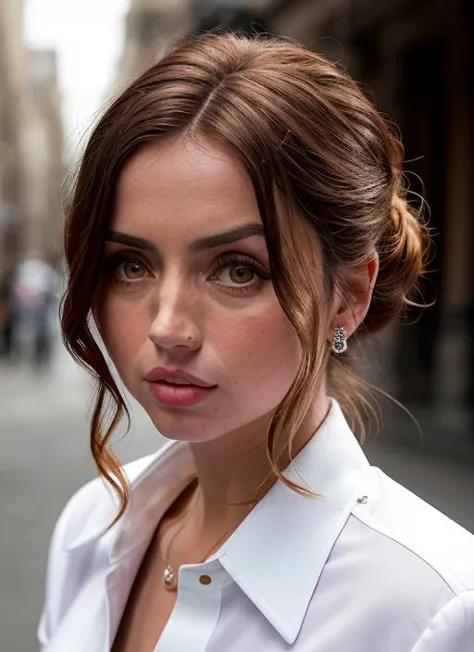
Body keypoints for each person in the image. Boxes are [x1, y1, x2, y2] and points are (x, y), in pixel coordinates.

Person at [38, 32, 474, 651]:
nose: (167, 327)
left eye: (237, 269)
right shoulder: (92, 528)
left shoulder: (433, 608)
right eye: (131, 265)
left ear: (348, 293)